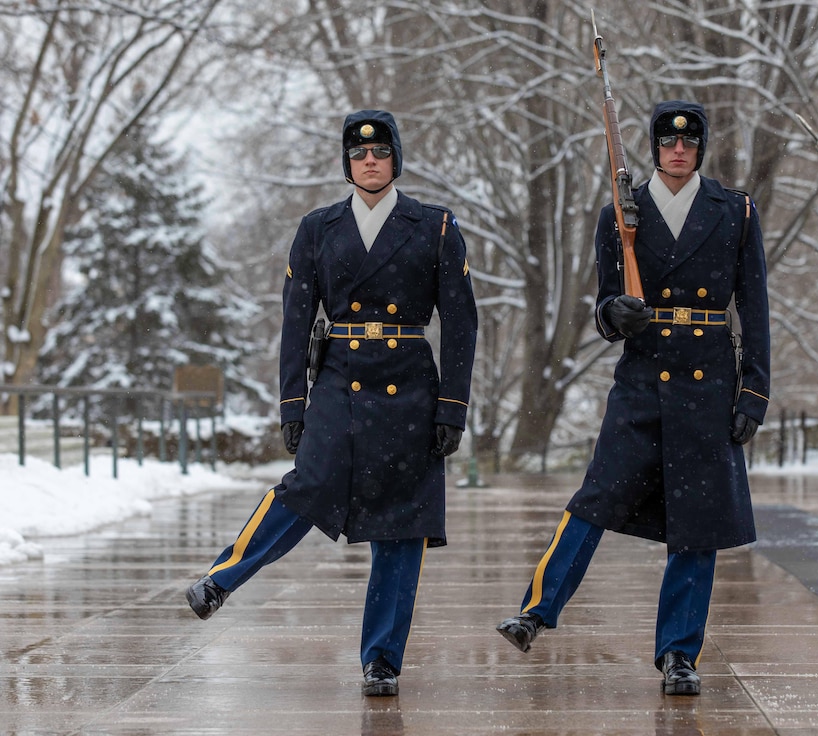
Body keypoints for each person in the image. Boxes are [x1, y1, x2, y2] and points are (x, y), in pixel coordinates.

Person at [185, 109, 478, 696]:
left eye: (380, 151)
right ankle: (222, 578)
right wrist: (292, 404)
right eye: (358, 153)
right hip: (341, 377)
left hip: (409, 386)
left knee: (401, 523)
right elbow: (295, 322)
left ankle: (382, 661)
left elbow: (463, 321)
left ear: (396, 158)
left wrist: (452, 406)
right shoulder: (318, 228)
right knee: (306, 486)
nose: (369, 161)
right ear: (346, 162)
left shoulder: (435, 226)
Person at [496, 100, 770, 696]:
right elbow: (605, 308)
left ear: (701, 147)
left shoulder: (735, 213)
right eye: (669, 141)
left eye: (690, 140)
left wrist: (754, 390)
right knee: (594, 497)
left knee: (697, 525)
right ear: (652, 147)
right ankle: (535, 612)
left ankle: (679, 654)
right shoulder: (621, 214)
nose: (679, 149)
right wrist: (613, 315)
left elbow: (754, 308)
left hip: (708, 381)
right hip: (643, 379)